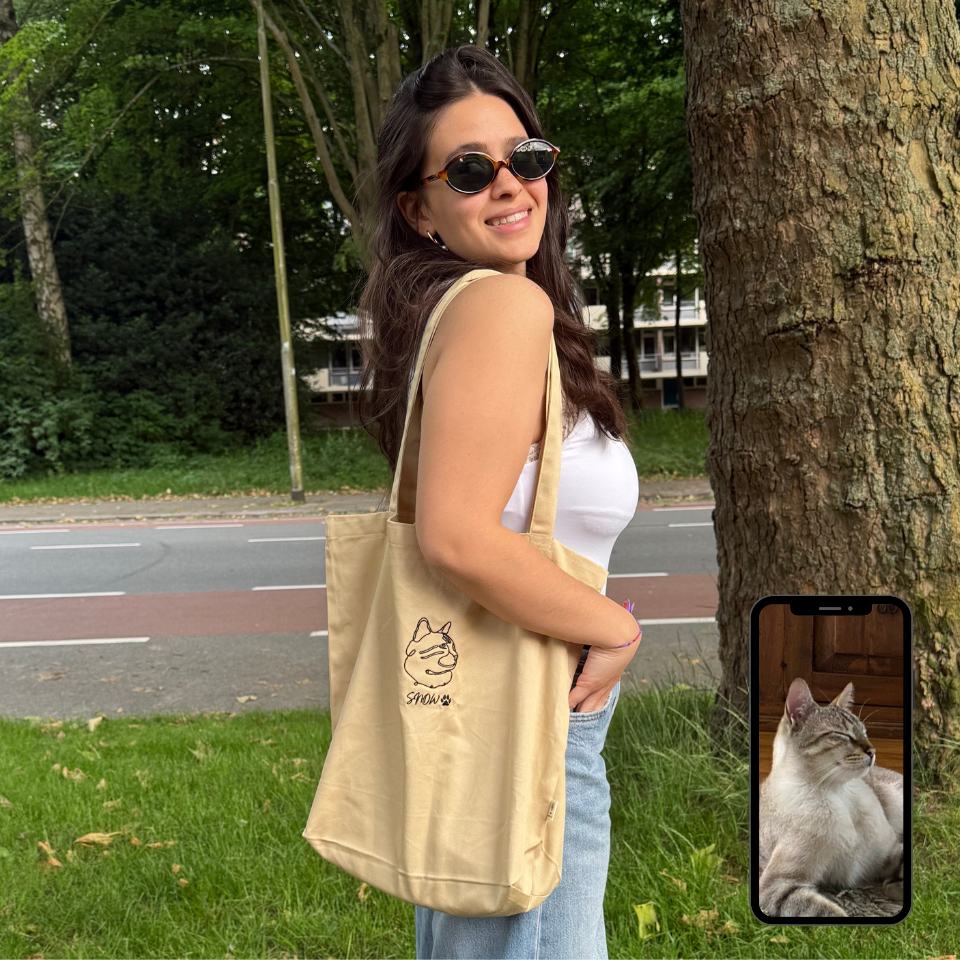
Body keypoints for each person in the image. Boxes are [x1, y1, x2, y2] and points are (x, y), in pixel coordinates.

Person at [354, 44, 642, 959]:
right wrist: (616, 627)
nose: (511, 185)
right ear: (420, 207)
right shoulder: (498, 312)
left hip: (483, 716)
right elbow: (457, 538)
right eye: (471, 171)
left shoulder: (475, 312)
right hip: (529, 718)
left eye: (527, 158)